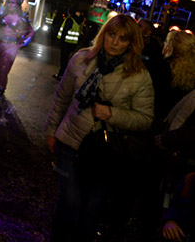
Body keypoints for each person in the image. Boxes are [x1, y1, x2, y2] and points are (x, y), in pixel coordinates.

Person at [45, 14, 154, 242]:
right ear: (103, 34)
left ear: (131, 43)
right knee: (69, 201)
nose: (114, 42)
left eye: (122, 38)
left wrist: (113, 114)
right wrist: (51, 129)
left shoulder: (139, 76)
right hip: (71, 141)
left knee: (91, 211)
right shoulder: (81, 59)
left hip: (105, 153)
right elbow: (62, 97)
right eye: (111, 35)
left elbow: (145, 119)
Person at [54, 9, 83, 79]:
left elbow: (65, 31)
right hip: (73, 44)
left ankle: (61, 75)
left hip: (66, 43)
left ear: (69, 13)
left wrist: (61, 41)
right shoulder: (77, 22)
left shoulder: (69, 20)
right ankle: (63, 74)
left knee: (63, 59)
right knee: (66, 59)